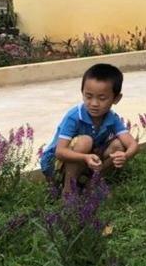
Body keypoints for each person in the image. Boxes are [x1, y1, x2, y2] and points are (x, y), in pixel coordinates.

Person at [40, 63, 139, 193]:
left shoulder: (112, 118)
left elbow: (133, 144)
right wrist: (85, 158)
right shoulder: (74, 117)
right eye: (88, 96)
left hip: (87, 161)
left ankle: (91, 184)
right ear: (82, 93)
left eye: (102, 98)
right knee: (85, 141)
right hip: (57, 165)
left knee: (118, 145)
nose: (94, 103)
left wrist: (124, 155)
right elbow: (60, 152)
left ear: (116, 98)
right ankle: (68, 192)